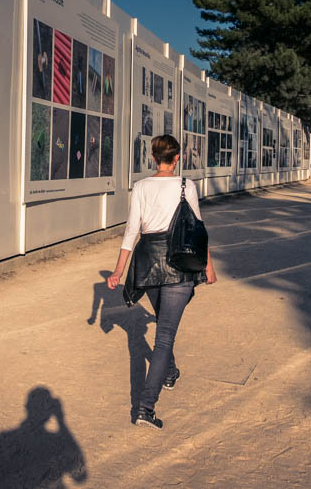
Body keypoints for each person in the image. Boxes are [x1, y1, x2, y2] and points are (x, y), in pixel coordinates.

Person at [107, 134, 217, 429]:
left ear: (153, 157)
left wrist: (118, 272)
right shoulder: (186, 185)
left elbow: (132, 231)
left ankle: (169, 373)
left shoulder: (141, 187)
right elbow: (197, 231)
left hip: (149, 264)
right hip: (179, 265)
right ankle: (145, 407)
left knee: (164, 329)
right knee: (165, 335)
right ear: (177, 158)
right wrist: (209, 266)